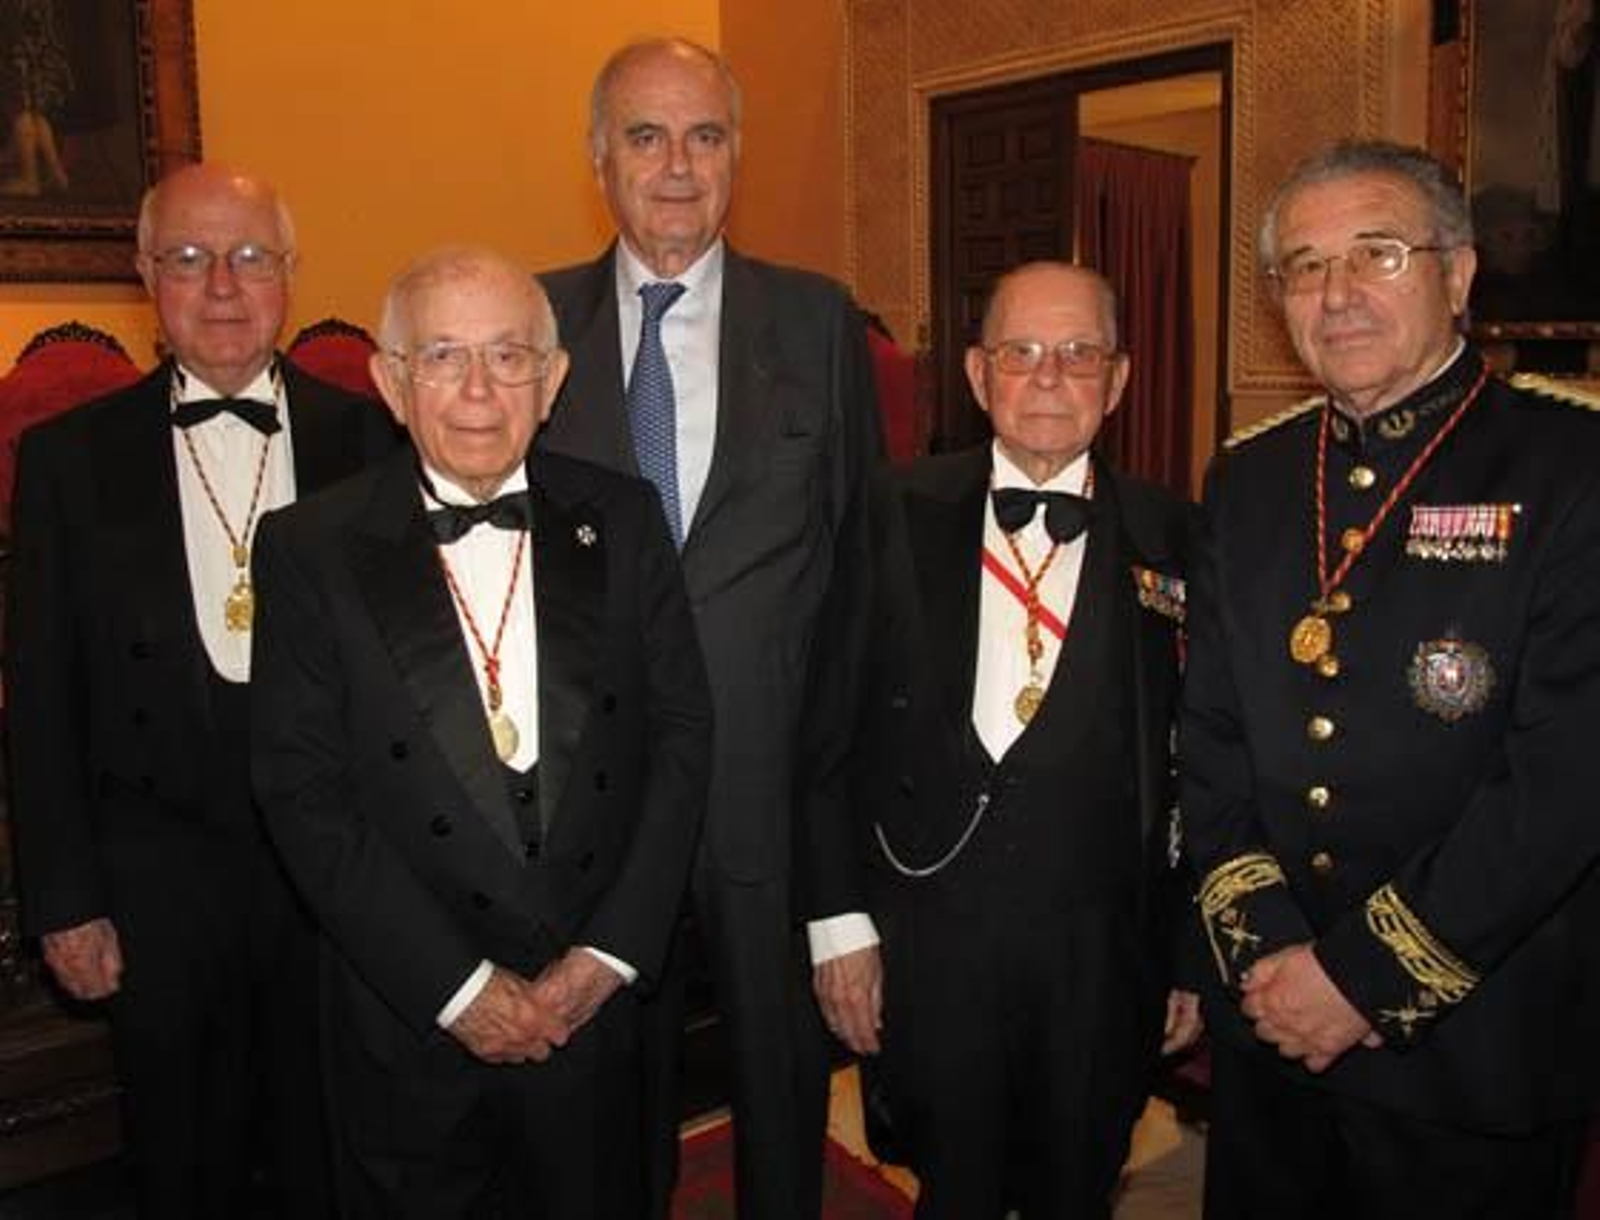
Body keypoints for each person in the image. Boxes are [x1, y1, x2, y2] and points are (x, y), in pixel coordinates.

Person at [1183, 139, 1600, 1218]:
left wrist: (1360, 977)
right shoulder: (1250, 476)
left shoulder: (1569, 465)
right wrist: (1274, 960)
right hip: (1272, 1022)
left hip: (1473, 1041)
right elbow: (1213, 736)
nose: (1338, 295)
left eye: (1378, 254)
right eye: (1306, 267)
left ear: (1456, 276)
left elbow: (1565, 778)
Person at [249, 247, 712, 1219]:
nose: (475, 389)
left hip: (594, 1004)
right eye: (443, 356)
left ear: (552, 382)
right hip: (411, 1011)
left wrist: (612, 952)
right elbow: (303, 790)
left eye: (508, 357)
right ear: (389, 380)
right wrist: (457, 987)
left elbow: (679, 736)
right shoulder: (308, 546)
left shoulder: (624, 519)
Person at [4, 163, 393, 1218]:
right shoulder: (66, 461)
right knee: (182, 1162)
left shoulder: (375, 442)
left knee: (334, 1152)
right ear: (144, 276)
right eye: (188, 257)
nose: (222, 285)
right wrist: (66, 898)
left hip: (333, 875)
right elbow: (41, 700)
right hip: (154, 877)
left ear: (290, 275)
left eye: (250, 257)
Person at [538, 37, 879, 1219]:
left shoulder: (819, 320)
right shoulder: (527, 326)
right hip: (590, 795)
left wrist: (842, 810)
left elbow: (857, 575)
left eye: (705, 135)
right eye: (645, 135)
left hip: (764, 781)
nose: (676, 166)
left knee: (779, 1079)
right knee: (602, 1080)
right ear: (597, 158)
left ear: (736, 153)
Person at [808, 261, 1201, 1217]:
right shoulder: (888, 513)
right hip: (930, 940)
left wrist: (1191, 951)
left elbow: (1211, 762)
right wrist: (838, 927)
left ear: (1119, 380)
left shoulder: (1181, 535)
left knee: (1078, 1185)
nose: (1050, 377)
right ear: (980, 377)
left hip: (1101, 953)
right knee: (954, 1188)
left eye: (1078, 354)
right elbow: (820, 733)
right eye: (1022, 353)